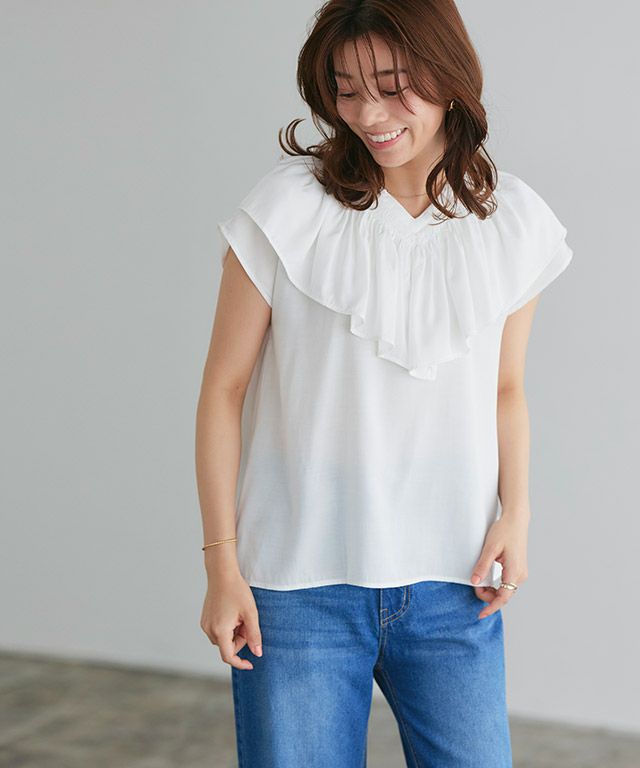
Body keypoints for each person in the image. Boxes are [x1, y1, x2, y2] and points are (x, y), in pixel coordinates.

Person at [195, 1, 574, 766]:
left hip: (453, 580)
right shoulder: (288, 209)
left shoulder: (513, 224)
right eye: (346, 90)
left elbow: (505, 388)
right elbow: (223, 390)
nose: (369, 114)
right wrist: (222, 564)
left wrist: (519, 513)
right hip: (298, 588)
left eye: (395, 86)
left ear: (449, 76)